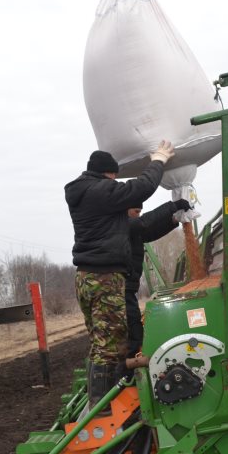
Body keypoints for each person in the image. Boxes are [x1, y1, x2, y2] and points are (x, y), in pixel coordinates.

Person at [64, 141, 175, 407]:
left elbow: (140, 226)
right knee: (110, 346)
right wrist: (158, 159)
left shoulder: (85, 194)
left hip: (86, 277)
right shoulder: (99, 191)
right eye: (114, 177)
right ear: (108, 174)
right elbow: (142, 188)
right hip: (104, 278)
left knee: (99, 342)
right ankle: (102, 411)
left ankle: (99, 404)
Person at [125, 199, 191, 357]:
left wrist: (174, 220)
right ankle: (127, 372)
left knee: (134, 330)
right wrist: (173, 206)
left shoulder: (132, 230)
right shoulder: (120, 226)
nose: (138, 215)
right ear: (125, 209)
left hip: (128, 288)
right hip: (120, 289)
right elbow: (146, 222)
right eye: (136, 212)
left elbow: (149, 232)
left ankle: (132, 365)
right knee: (131, 333)